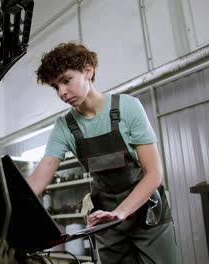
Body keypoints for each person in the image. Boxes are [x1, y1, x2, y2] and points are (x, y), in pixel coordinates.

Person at [26, 42, 178, 263]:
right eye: (55, 86)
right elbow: (37, 181)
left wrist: (122, 212)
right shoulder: (64, 127)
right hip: (105, 219)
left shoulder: (128, 107)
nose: (62, 92)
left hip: (148, 216)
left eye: (66, 80)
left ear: (88, 71)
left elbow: (154, 173)